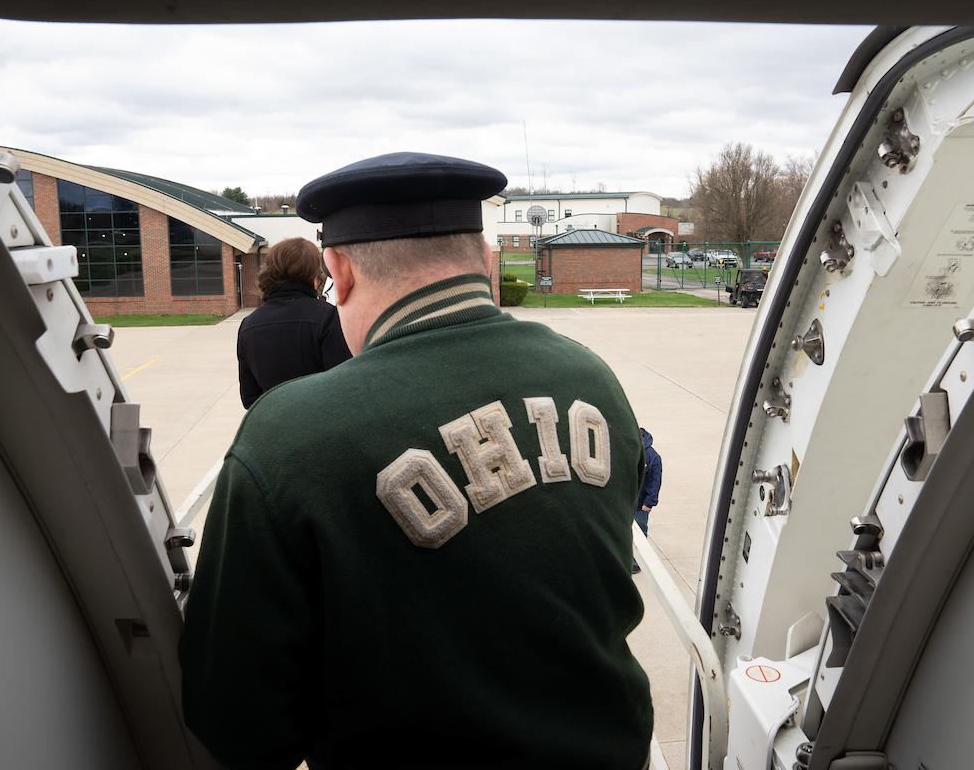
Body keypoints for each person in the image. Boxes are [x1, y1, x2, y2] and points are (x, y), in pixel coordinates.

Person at [180, 152, 653, 770]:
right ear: (485, 262)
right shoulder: (588, 374)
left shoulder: (290, 433)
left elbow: (237, 723)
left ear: (339, 272)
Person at [236, 237, 351, 408]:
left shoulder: (248, 325)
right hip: (322, 424)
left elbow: (249, 398)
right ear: (313, 277)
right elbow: (344, 386)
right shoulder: (328, 317)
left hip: (272, 426)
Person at [631, 427, 662, 573]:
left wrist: (650, 502)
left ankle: (636, 563)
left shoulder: (653, 457)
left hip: (641, 504)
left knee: (640, 531)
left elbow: (655, 482)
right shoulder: (627, 450)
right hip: (626, 501)